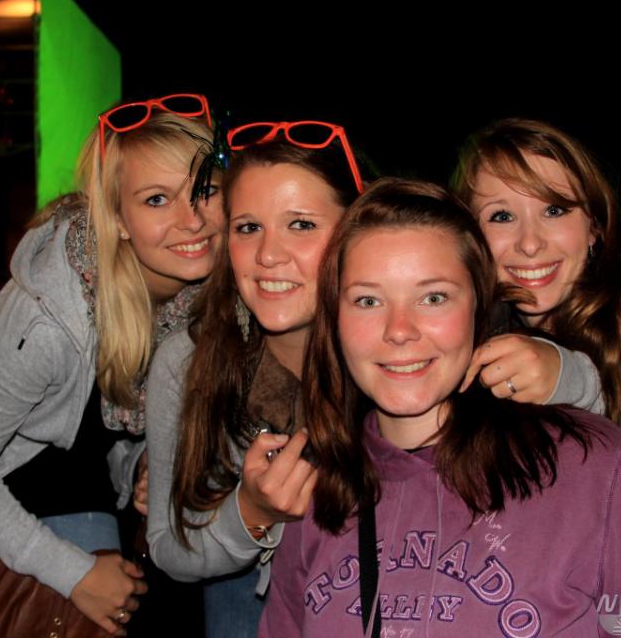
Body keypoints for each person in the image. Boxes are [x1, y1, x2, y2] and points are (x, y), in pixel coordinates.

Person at [260, 178, 621, 637]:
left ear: (480, 307)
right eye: (368, 300)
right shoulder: (315, 493)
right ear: (335, 320)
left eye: (433, 298)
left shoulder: (594, 469)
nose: (399, 330)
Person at [0, 94, 223, 635]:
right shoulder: (45, 317)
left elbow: (108, 429)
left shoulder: (205, 302)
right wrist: (75, 573)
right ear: (117, 218)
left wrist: (139, 466)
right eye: (157, 199)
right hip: (14, 513)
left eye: (206, 189)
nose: (193, 220)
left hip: (98, 507)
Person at [145, 123, 361, 637]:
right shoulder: (188, 362)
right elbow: (168, 548)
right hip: (251, 601)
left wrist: (553, 373)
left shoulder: (402, 350)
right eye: (247, 227)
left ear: (357, 230)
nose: (267, 255)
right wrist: (250, 511)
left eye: (301, 224)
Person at [453, 118, 617, 419]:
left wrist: (575, 382)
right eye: (502, 216)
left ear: (593, 227)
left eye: (554, 210)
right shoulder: (458, 331)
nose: (530, 244)